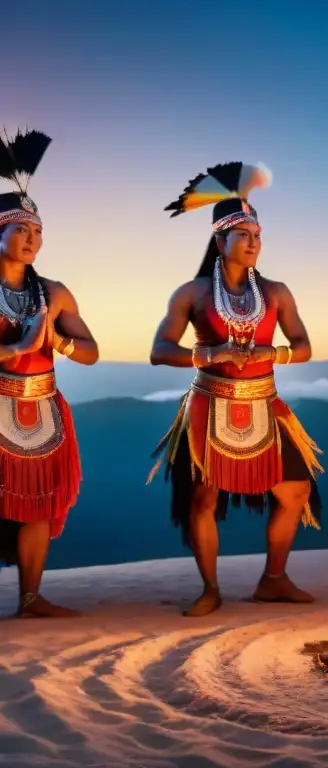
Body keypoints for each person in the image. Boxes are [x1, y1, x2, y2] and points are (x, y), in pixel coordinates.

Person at [148, 161, 324, 617]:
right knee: (203, 497)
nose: (254, 243)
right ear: (220, 240)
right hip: (209, 405)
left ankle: (274, 579)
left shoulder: (277, 292)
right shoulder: (191, 292)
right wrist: (210, 354)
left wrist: (274, 354)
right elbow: (159, 349)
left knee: (296, 491)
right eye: (243, 234)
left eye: (258, 235)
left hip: (265, 404)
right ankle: (210, 588)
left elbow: (303, 345)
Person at [0, 128, 99, 618]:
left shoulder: (54, 292)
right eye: (22, 230)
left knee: (38, 505)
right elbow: (19, 347)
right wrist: (18, 345)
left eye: (38, 232)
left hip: (43, 409)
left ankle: (31, 598)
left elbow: (91, 351)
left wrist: (55, 340)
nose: (32, 240)